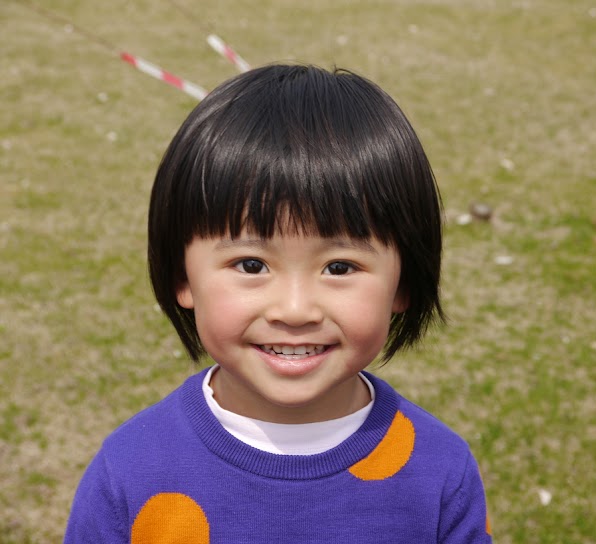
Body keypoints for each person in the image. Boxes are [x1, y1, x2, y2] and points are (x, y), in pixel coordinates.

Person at [65, 63, 492, 543]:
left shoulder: (439, 473)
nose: (294, 309)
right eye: (251, 265)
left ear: (403, 283)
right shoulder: (131, 471)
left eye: (339, 267)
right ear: (180, 275)